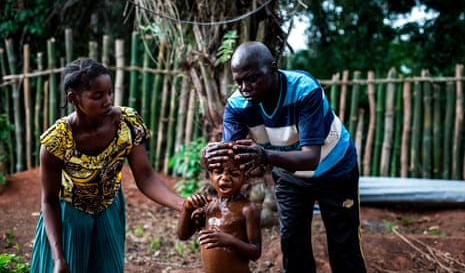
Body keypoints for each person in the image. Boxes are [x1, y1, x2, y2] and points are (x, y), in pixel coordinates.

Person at [202, 41, 367, 273]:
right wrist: (207, 156)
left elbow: (311, 158)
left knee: (343, 246)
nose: (244, 87)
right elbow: (230, 158)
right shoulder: (237, 106)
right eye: (238, 81)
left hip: (335, 169)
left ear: (272, 68)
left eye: (251, 79)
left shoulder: (304, 90)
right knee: (292, 244)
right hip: (290, 175)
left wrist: (265, 155)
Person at [30, 58, 185, 273]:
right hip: (69, 218)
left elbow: (146, 177)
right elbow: (48, 201)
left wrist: (182, 204)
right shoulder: (57, 141)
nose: (108, 101)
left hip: (109, 211)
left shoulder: (127, 124)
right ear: (73, 99)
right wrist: (59, 257)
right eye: (98, 96)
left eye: (110, 92)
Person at [178, 149, 261, 273]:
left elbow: (256, 253)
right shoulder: (209, 206)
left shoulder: (248, 209)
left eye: (234, 173)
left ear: (245, 178)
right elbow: (183, 235)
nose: (225, 177)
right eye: (218, 172)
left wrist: (230, 241)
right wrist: (187, 208)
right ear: (210, 176)